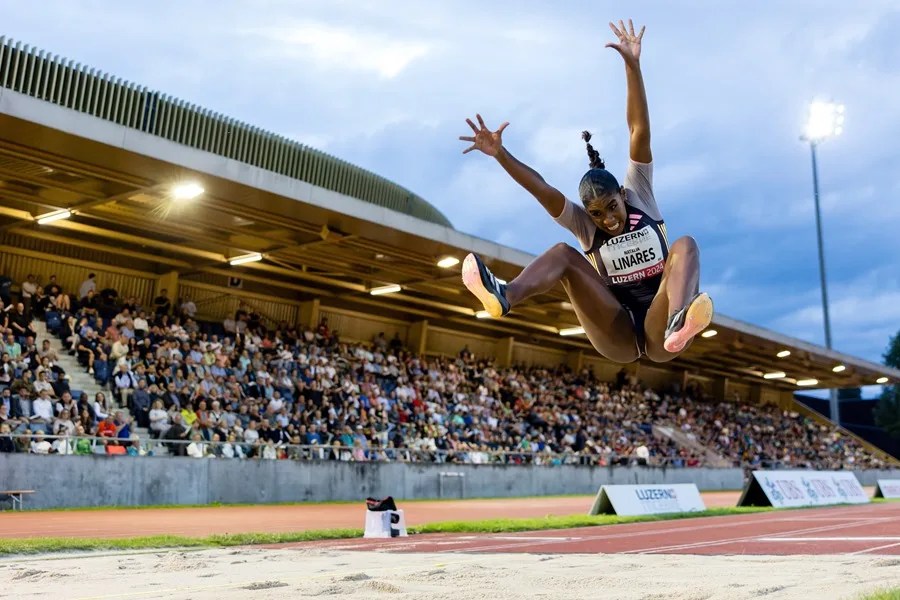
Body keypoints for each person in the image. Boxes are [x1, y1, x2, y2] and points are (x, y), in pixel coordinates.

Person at [457, 19, 712, 364]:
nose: (607, 220)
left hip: (660, 328)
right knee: (563, 252)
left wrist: (632, 66)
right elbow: (542, 190)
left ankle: (680, 319)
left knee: (685, 245)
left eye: (611, 207)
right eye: (596, 214)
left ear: (623, 195)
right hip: (615, 329)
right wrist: (501, 153)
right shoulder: (584, 223)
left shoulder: (640, 193)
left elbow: (639, 131)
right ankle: (505, 295)